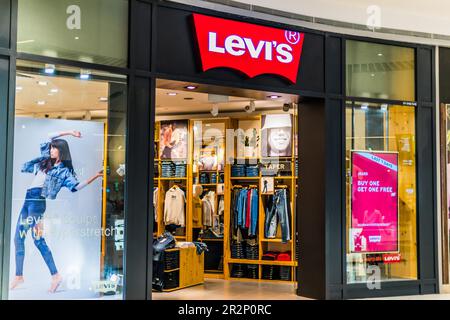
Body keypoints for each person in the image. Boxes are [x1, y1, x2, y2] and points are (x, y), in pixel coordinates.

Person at [10, 130, 103, 293]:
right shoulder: (47, 160)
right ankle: (19, 276)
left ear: (61, 151)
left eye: (54, 148)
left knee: (38, 240)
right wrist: (70, 133)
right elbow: (48, 136)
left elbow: (76, 187)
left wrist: (96, 176)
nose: (51, 150)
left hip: (37, 203)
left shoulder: (64, 171)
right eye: (51, 148)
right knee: (18, 238)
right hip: (28, 200)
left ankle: (55, 275)